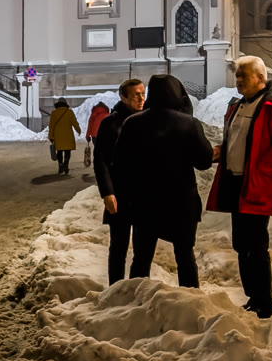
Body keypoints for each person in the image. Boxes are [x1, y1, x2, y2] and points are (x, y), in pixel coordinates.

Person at [207, 55, 272, 318]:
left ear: (260, 78)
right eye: (237, 76)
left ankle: (264, 303)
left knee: (256, 245)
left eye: (243, 76)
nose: (238, 81)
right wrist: (222, 152)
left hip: (256, 184)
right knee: (241, 243)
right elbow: (239, 141)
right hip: (236, 182)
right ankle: (253, 297)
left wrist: (262, 169)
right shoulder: (238, 106)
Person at [102, 73, 212, 287]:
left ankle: (136, 296)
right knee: (185, 256)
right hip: (181, 203)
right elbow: (203, 162)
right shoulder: (189, 123)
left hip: (145, 202)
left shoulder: (133, 123)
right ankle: (190, 298)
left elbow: (121, 164)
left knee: (141, 258)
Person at [90, 77, 145, 284]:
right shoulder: (110, 123)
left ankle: (138, 287)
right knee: (118, 247)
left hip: (144, 194)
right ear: (123, 97)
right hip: (119, 194)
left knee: (143, 248)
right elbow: (100, 160)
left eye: (143, 93)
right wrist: (107, 192)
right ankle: (115, 288)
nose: (141, 98)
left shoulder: (147, 119)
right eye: (136, 95)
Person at [46, 98, 79, 175]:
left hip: (58, 137)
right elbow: (74, 122)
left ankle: (60, 165)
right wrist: (78, 130)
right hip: (68, 136)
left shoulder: (54, 113)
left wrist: (50, 136)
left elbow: (51, 126)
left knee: (59, 152)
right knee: (67, 152)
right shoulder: (69, 112)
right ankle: (66, 165)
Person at [83, 99, 110, 169]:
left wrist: (87, 135)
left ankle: (97, 164)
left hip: (95, 135)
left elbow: (90, 125)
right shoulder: (108, 115)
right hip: (105, 135)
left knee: (97, 149)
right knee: (105, 149)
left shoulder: (94, 114)